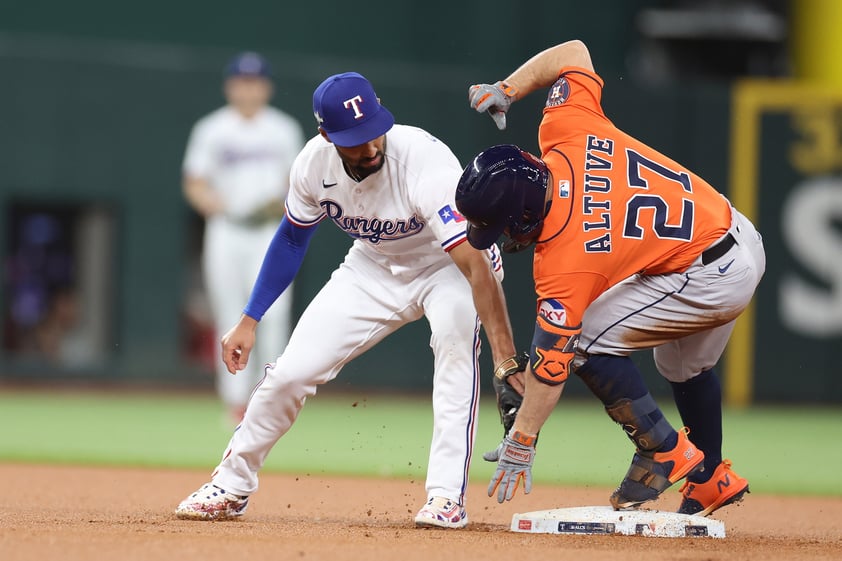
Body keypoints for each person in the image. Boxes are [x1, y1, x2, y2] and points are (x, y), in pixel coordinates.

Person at [175, 71, 520, 529]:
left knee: (455, 351)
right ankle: (231, 484)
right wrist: (249, 318)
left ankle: (445, 497)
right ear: (327, 135)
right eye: (355, 140)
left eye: (373, 130)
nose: (370, 146)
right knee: (290, 372)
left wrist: (505, 360)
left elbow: (474, 264)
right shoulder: (312, 165)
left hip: (448, 265)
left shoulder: (422, 160)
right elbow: (292, 241)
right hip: (373, 264)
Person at [455, 39, 766, 517]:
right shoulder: (565, 127)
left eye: (500, 226)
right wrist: (507, 89)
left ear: (520, 214)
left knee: (583, 339)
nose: (501, 237)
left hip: (708, 277)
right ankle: (709, 478)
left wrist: (523, 439)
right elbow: (575, 52)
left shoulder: (565, 262)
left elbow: (551, 365)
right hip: (733, 231)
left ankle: (663, 448)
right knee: (682, 368)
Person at [182, 52, 305, 423]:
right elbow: (194, 182)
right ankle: (236, 403)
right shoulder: (212, 128)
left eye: (255, 81)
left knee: (276, 314)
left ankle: (268, 399)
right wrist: (210, 201)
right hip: (226, 229)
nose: (248, 88)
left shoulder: (284, 129)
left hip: (270, 231)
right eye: (242, 81)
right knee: (229, 314)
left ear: (266, 86)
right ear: (230, 85)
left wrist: (282, 201)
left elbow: (298, 180)